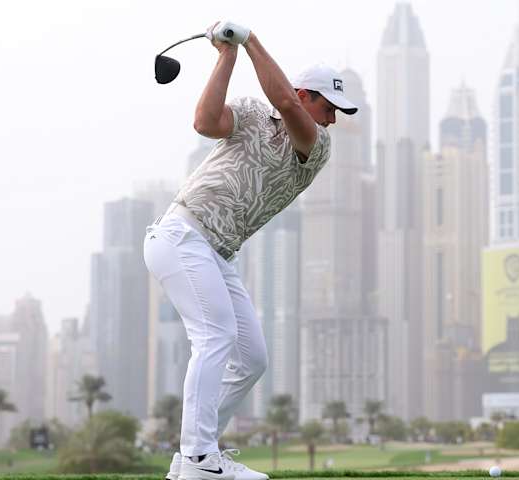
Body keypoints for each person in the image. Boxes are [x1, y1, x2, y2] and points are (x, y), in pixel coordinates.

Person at [143, 20, 358, 480]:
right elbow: (205, 122)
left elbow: (281, 99)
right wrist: (228, 56)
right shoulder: (250, 112)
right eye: (328, 106)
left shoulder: (316, 146)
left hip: (216, 252)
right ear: (306, 95)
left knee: (252, 358)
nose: (333, 118)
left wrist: (251, 39)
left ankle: (192, 460)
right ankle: (201, 458)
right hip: (182, 235)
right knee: (215, 338)